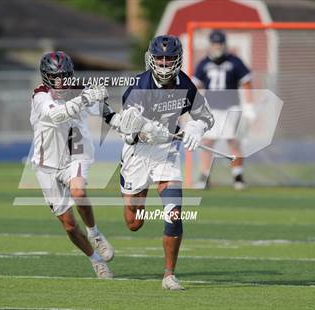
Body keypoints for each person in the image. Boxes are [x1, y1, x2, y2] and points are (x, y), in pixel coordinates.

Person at [106, 35, 214, 290]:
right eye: (160, 58)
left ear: (178, 59)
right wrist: (144, 131)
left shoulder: (186, 84)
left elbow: (206, 117)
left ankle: (169, 275)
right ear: (151, 59)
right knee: (134, 222)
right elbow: (126, 129)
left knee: (174, 213)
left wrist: (197, 127)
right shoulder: (138, 86)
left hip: (167, 152)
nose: (164, 63)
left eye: (169, 58)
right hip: (139, 152)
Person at [30, 51, 114, 278]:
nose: (59, 82)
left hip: (75, 154)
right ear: (45, 76)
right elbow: (57, 115)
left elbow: (110, 115)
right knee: (68, 225)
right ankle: (95, 260)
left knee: (78, 190)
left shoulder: (80, 88)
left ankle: (94, 233)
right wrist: (86, 98)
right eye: (54, 76)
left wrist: (136, 129)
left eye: (63, 76)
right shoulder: (40, 96)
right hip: (45, 163)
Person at [193, 30, 255, 190]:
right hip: (211, 109)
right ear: (210, 45)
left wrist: (249, 105)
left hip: (231, 108)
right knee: (207, 142)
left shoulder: (234, 61)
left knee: (233, 141)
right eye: (215, 44)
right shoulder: (204, 63)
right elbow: (195, 85)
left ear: (224, 45)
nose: (217, 47)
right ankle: (204, 176)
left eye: (220, 43)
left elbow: (246, 82)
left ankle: (238, 176)